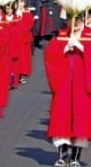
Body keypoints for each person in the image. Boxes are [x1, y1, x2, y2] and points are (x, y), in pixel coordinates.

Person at [44, 15, 91, 167]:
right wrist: (64, 50)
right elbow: (50, 56)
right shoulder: (61, 36)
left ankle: (75, 157)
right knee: (62, 117)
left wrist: (83, 48)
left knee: (81, 119)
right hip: (63, 84)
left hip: (82, 86)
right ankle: (63, 156)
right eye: (71, 20)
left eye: (77, 20)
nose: (74, 23)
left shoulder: (89, 35)